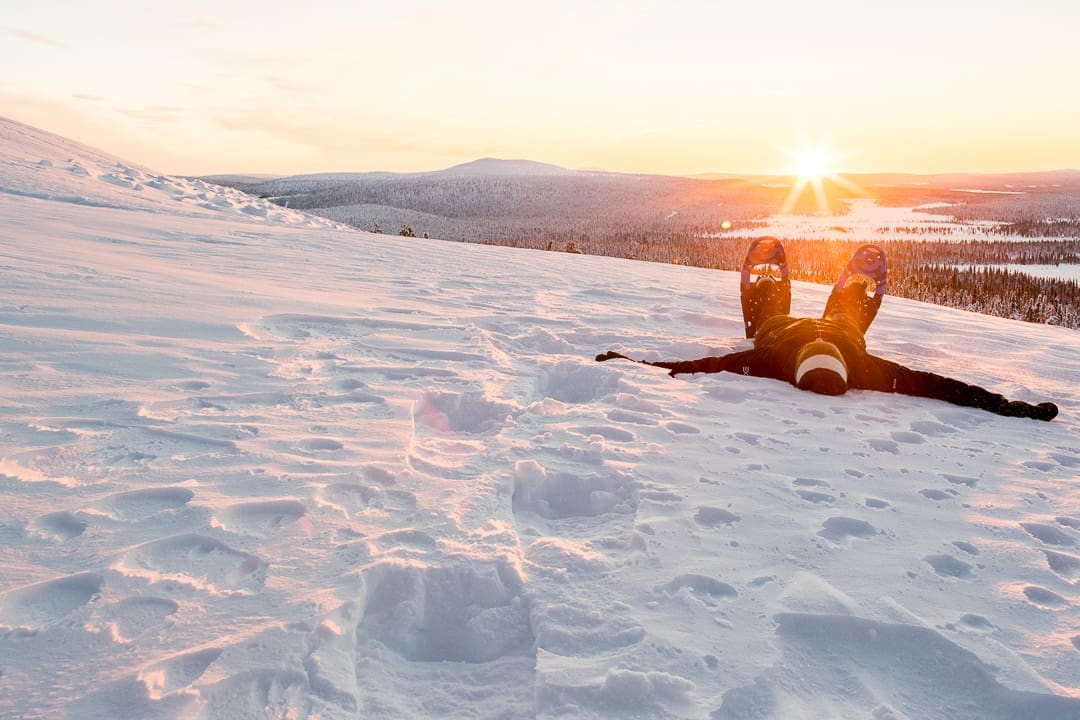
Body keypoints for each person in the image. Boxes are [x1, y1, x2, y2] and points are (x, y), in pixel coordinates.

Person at [596, 243, 1059, 422]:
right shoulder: (864, 368)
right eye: (827, 354)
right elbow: (942, 387)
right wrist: (1010, 407)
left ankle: (766, 296)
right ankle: (855, 298)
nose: (819, 350)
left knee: (773, 321)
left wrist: (637, 365)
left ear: (799, 366)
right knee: (846, 322)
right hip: (844, 331)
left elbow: (701, 367)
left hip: (779, 331)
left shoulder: (769, 361)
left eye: (814, 354)